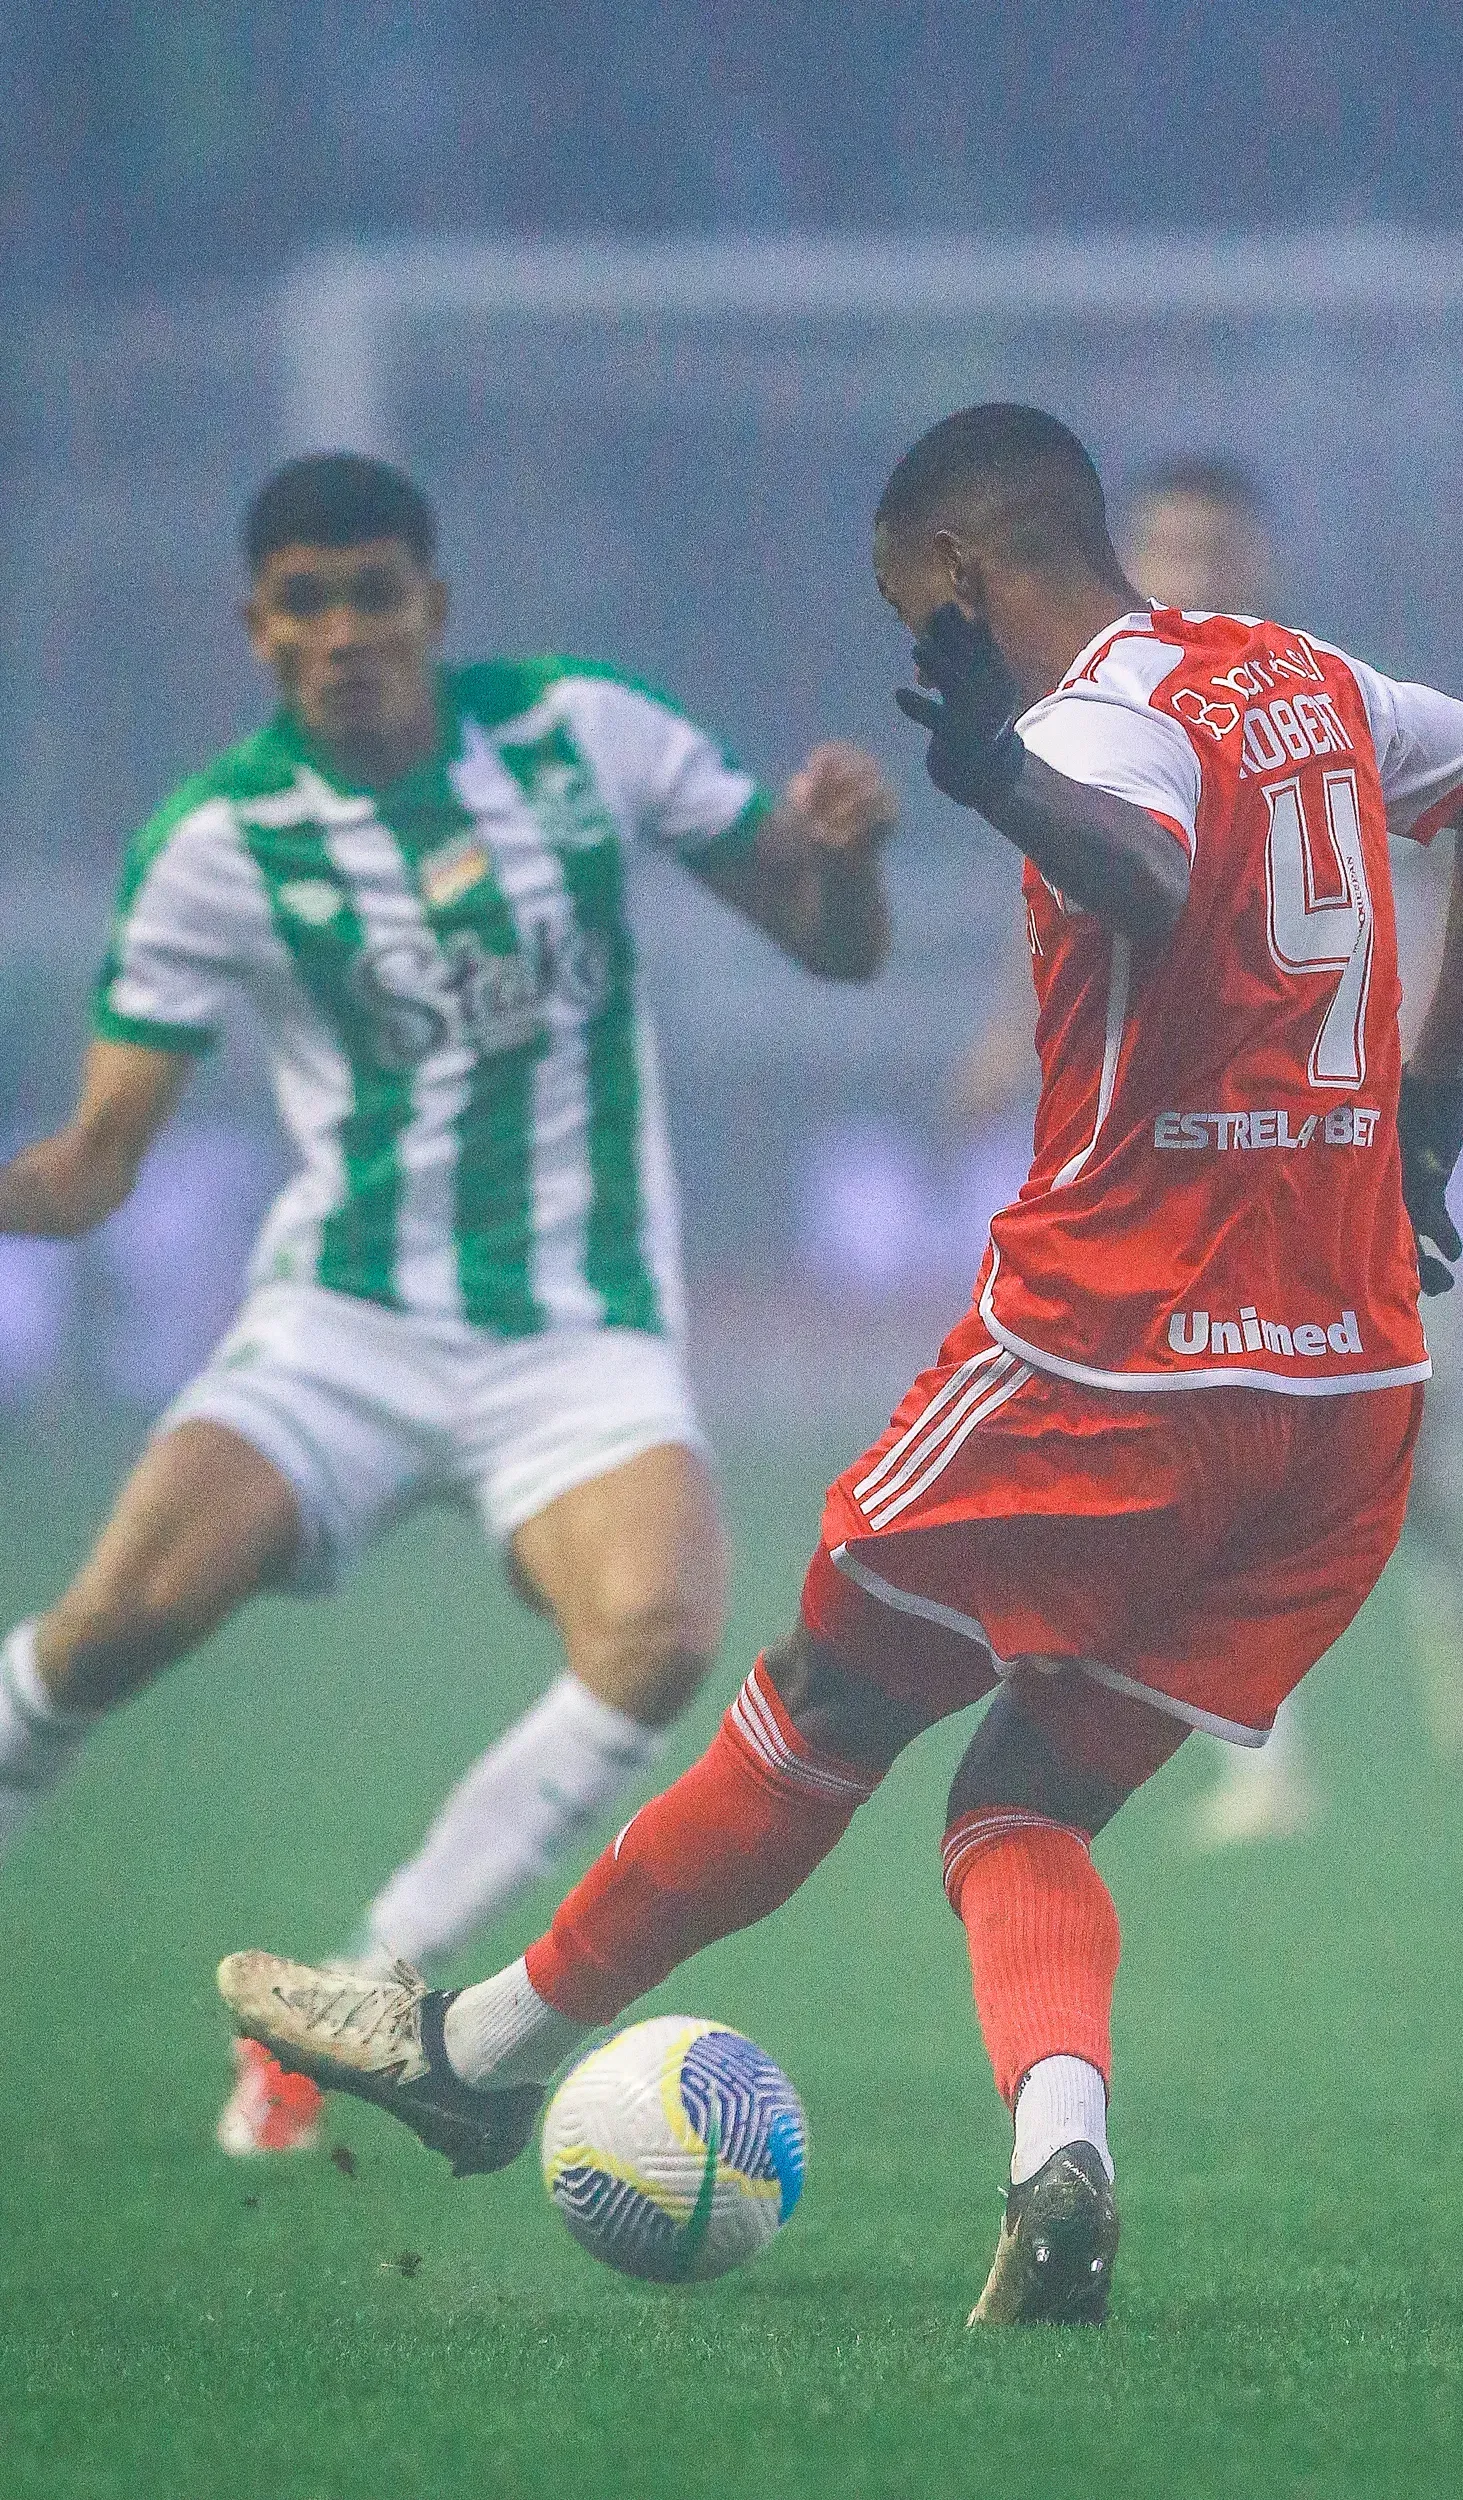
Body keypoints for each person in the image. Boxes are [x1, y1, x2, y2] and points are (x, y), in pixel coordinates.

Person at [218, 405, 1463, 2324]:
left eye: (909, 606)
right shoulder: (1313, 683)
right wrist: (1431, 1080)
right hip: (1340, 1398)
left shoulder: (1099, 715)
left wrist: (1008, 783)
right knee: (1015, 1806)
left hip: (1111, 1367)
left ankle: (483, 2061)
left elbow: (1151, 871)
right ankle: (1060, 2167)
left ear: (954, 570)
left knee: (816, 1712)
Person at [0, 453, 894, 2155]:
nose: (345, 634)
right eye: (305, 605)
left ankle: (359, 1992)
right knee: (108, 1629)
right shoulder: (214, 846)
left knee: (660, 1634)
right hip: (342, 1323)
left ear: (436, 607)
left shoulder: (583, 736)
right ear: (254, 630)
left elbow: (828, 940)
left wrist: (842, 861)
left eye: (374, 595)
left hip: (580, 1327)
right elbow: (97, 1165)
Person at [959, 456, 1463, 1850]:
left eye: (1214, 550)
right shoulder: (1122, 708)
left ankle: (1458, 1600)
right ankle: (1258, 1758)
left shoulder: (1328, 701)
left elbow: (1450, 865)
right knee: (1220, 1444)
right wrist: (995, 1044)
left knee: (1388, 1432)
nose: (1190, 575)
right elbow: (1078, 907)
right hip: (1195, 1148)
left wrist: (1420, 1056)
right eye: (1168, 550)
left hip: (1329, 1128)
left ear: (1260, 560)